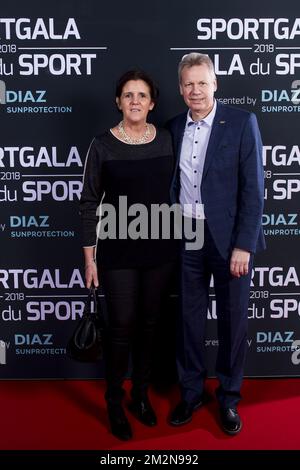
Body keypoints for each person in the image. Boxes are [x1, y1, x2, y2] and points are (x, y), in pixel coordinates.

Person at [167, 53, 265, 434]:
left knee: (232, 322)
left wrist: (244, 245)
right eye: (188, 84)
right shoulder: (173, 127)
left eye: (202, 82)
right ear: (180, 88)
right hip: (187, 237)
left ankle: (228, 398)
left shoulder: (242, 123)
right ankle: (190, 394)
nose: (195, 90)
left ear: (215, 84)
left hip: (229, 242)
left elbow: (254, 189)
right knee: (189, 323)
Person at [79, 70, 177, 441]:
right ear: (118, 102)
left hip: (161, 249)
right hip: (116, 252)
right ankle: (115, 403)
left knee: (151, 326)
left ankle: (140, 396)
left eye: (142, 95)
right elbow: (89, 203)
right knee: (121, 328)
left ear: (152, 103)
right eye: (127, 94)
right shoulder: (102, 145)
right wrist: (89, 259)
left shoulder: (168, 140)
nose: (135, 100)